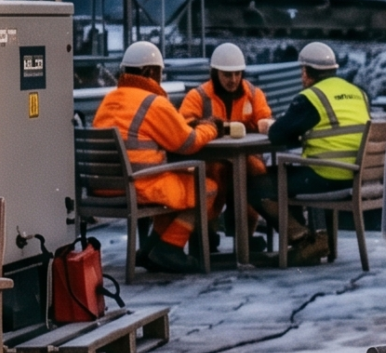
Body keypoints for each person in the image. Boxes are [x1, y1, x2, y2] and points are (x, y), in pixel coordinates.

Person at [93, 42, 218, 275]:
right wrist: (211, 128)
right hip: (138, 184)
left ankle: (149, 250)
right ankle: (169, 248)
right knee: (206, 187)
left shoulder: (109, 100)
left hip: (103, 186)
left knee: (175, 190)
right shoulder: (153, 102)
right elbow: (188, 142)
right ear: (150, 72)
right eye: (160, 72)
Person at [259, 41, 366, 266]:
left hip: (326, 176)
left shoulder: (311, 97)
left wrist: (268, 126)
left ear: (306, 72)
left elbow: (278, 134)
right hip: (357, 176)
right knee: (286, 175)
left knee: (256, 186)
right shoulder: (357, 92)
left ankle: (305, 240)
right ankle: (308, 239)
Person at [180, 42, 272, 252]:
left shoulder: (253, 94)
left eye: (237, 74)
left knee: (255, 172)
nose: (233, 80)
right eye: (227, 75)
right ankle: (205, 233)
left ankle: (245, 236)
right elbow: (184, 124)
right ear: (215, 73)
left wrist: (259, 125)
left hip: (245, 158)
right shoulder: (199, 96)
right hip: (211, 160)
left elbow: (264, 119)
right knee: (216, 174)